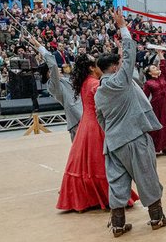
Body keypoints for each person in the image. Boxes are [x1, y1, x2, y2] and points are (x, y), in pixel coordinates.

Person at [94, 8, 166, 238]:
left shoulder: (99, 91)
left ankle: (118, 225)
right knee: (147, 175)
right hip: (134, 138)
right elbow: (129, 54)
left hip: (114, 142)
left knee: (117, 182)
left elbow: (101, 118)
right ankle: (157, 218)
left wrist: (112, 133)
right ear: (116, 67)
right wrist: (123, 28)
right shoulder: (120, 80)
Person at [56, 53, 138, 211]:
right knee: (102, 164)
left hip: (85, 127)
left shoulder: (85, 82)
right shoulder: (95, 84)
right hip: (96, 127)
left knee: (84, 164)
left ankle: (88, 198)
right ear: (92, 68)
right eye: (97, 63)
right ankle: (111, 197)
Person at [30, 35, 82, 141]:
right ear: (49, 73)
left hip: (83, 114)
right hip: (76, 118)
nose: (58, 70)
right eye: (55, 70)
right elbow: (53, 65)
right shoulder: (52, 85)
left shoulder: (65, 79)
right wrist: (39, 46)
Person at [143, 51, 166, 156]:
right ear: (149, 73)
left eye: (155, 67)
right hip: (156, 106)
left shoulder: (162, 78)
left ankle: (165, 147)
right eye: (153, 68)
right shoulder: (148, 83)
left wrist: (160, 54)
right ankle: (155, 147)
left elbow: (163, 66)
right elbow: (144, 96)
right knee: (157, 126)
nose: (156, 68)